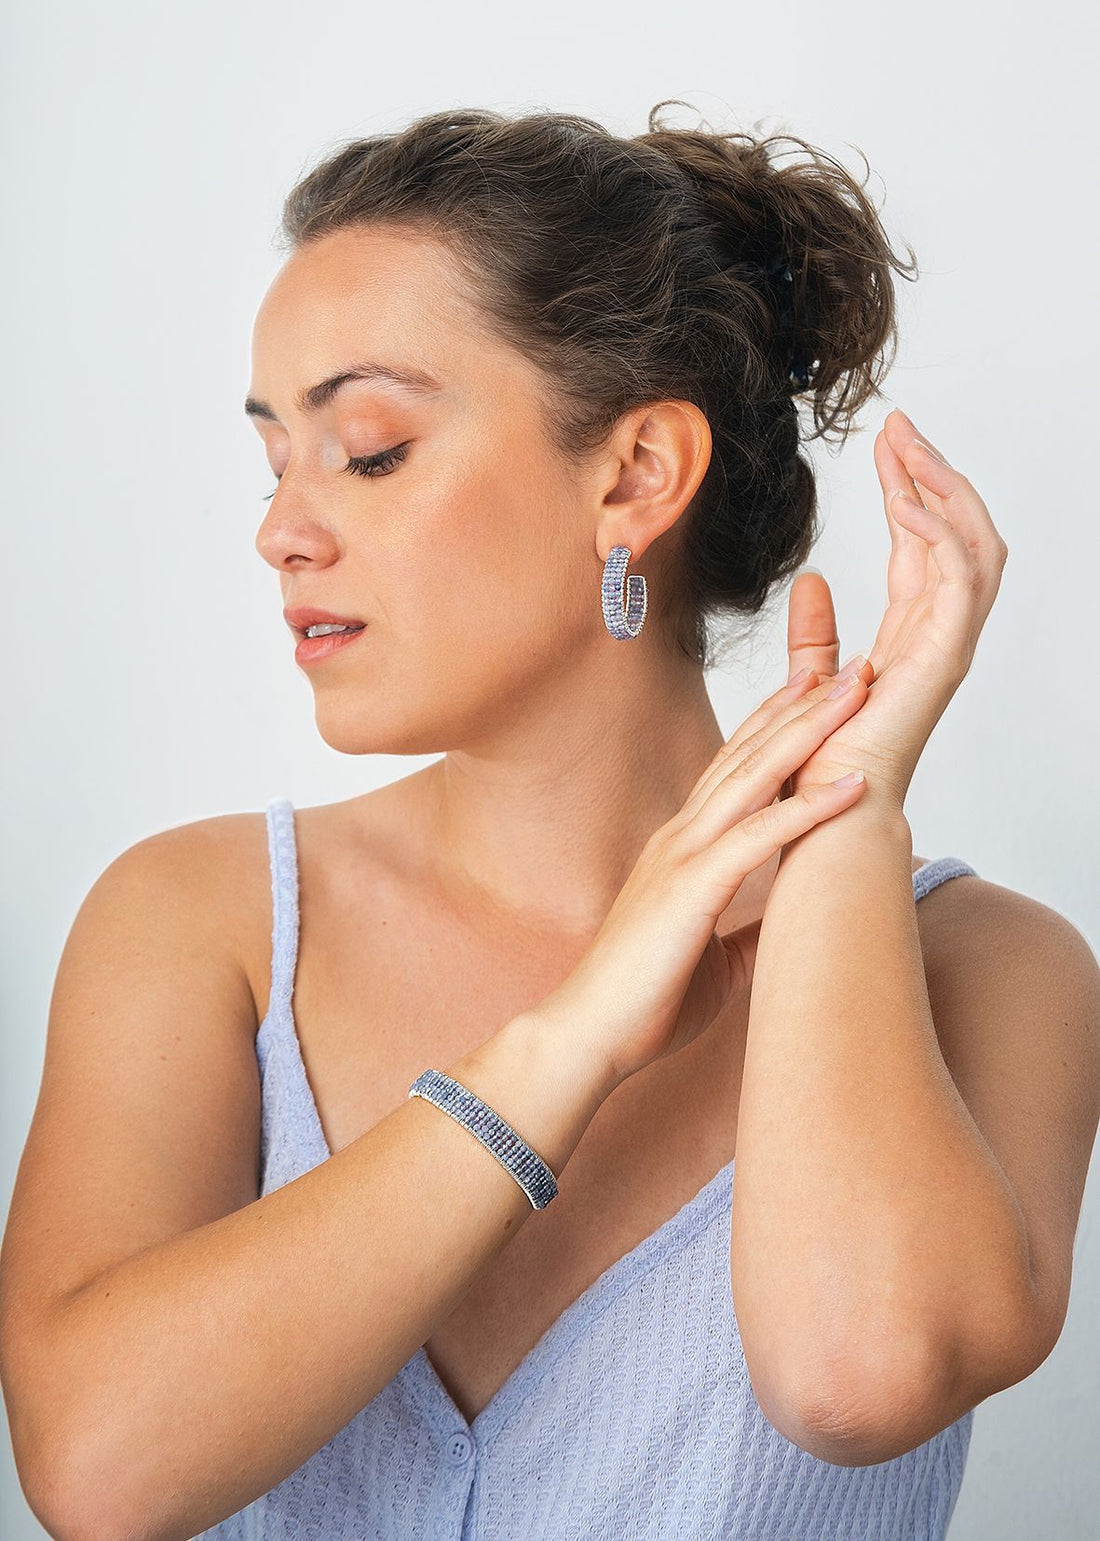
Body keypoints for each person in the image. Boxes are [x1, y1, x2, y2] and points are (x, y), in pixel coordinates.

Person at [2, 102, 1097, 1541]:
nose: (282, 529)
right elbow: (93, 1470)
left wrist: (837, 829)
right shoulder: (199, 921)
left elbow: (859, 1376)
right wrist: (568, 1041)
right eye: (277, 461)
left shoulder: (995, 972)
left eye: (370, 449)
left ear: (635, 474)